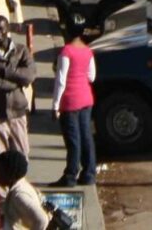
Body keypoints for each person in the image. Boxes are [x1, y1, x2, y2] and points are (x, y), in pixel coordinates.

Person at [0, 17, 34, 178]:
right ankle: (1, 194)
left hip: (18, 113)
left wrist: (7, 72)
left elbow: (29, 75)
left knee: (22, 159)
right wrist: (16, 84)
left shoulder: (21, 51)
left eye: (1, 28)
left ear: (7, 29)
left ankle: (18, 191)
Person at [53, 22, 97, 187]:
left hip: (70, 101)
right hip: (86, 98)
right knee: (86, 136)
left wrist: (55, 105)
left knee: (73, 139)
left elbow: (61, 80)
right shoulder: (87, 51)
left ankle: (70, 175)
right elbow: (92, 76)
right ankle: (89, 174)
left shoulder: (66, 51)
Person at [0, 151, 47, 230]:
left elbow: (42, 220)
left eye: (0, 170)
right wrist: (2, 210)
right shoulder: (20, 186)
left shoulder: (19, 195)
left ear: (10, 174)